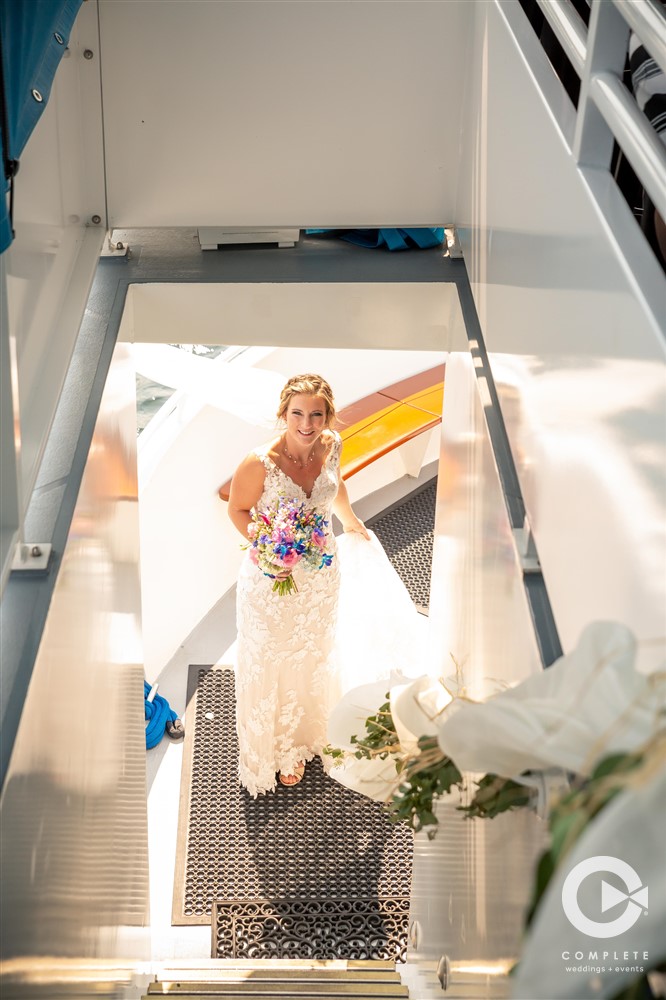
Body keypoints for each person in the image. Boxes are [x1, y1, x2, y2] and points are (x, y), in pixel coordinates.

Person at [227, 373, 369, 796]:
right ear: (283, 413)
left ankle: (306, 738)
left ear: (328, 416)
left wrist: (351, 521)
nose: (307, 424)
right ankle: (277, 750)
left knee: (312, 655)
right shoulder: (259, 462)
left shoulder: (332, 445)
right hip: (272, 582)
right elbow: (238, 510)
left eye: (316, 415)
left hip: (321, 577)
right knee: (273, 661)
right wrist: (269, 548)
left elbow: (335, 487)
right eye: (297, 414)